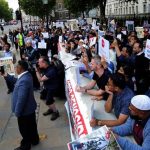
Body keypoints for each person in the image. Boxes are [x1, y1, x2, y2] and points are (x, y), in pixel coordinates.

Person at [1, 60, 39, 150]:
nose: (15, 68)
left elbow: (22, 98)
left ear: (20, 68)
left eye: (16, 67)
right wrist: (6, 76)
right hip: (30, 109)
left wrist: (17, 112)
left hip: (24, 111)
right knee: (32, 126)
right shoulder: (26, 75)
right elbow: (17, 81)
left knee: (24, 129)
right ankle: (35, 140)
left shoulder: (24, 80)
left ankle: (25, 146)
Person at [35, 56, 59, 121]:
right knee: (42, 97)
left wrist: (37, 71)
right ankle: (51, 108)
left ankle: (55, 112)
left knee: (49, 101)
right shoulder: (45, 67)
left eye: (39, 62)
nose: (38, 64)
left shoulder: (51, 71)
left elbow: (40, 79)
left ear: (44, 63)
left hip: (52, 87)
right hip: (47, 86)